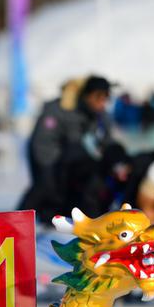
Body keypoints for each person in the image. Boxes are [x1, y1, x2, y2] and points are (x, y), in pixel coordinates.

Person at [18, 75, 114, 222]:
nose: (102, 104)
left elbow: (105, 141)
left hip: (71, 164)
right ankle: (15, 223)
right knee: (44, 188)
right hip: (49, 160)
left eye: (105, 99)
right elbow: (43, 142)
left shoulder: (98, 116)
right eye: (98, 98)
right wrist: (52, 169)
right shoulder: (60, 110)